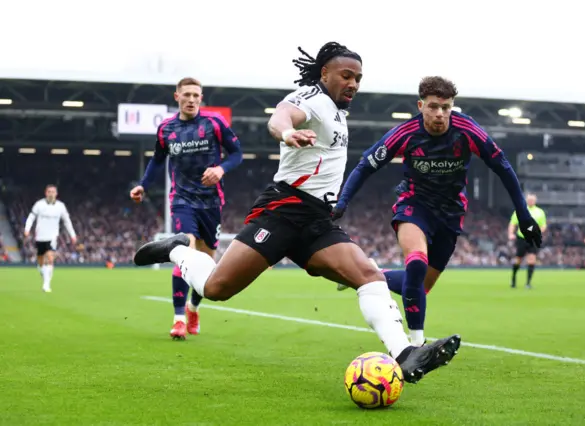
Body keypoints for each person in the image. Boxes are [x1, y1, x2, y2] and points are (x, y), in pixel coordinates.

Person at [133, 42, 460, 383]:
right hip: (283, 211)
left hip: (317, 221)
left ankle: (405, 355)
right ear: (324, 74)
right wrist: (288, 132)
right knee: (216, 288)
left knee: (369, 275)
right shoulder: (312, 98)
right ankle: (176, 249)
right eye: (346, 75)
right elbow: (281, 116)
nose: (353, 83)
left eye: (358, 78)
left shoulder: (336, 111)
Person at [331, 76, 542, 346]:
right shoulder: (405, 133)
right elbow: (365, 165)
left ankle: (369, 273)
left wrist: (524, 216)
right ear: (421, 105)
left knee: (422, 286)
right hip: (414, 206)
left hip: (451, 214)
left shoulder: (467, 130)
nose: (440, 113)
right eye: (433, 106)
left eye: (446, 107)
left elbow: (503, 167)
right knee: (416, 263)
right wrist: (343, 201)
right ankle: (416, 345)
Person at [130, 77, 243, 340]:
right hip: (182, 200)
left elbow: (237, 153)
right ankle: (179, 318)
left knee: (206, 264)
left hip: (212, 202)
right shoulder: (166, 129)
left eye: (196, 95)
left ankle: (193, 308)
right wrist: (143, 185)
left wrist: (220, 168)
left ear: (201, 98)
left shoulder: (214, 123)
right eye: (187, 95)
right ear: (177, 97)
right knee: (184, 253)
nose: (192, 99)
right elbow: (157, 161)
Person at [24, 184, 77, 292]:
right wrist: (27, 229)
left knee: (50, 258)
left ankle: (46, 285)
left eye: (53, 192)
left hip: (52, 236)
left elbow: (67, 221)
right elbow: (31, 217)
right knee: (41, 263)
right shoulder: (39, 205)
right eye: (49, 192)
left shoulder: (60, 206)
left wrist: (73, 235)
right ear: (45, 193)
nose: (51, 194)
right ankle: (44, 276)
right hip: (40, 236)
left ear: (56, 194)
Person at [508, 193, 547, 289]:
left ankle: (528, 283)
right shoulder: (520, 210)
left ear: (535, 201)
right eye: (529, 200)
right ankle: (513, 279)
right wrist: (510, 234)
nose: (530, 201)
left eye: (532, 200)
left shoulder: (540, 212)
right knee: (518, 259)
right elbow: (512, 223)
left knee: (532, 259)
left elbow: (543, 225)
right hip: (522, 237)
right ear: (526, 200)